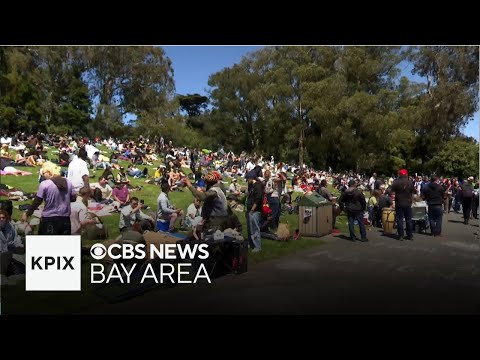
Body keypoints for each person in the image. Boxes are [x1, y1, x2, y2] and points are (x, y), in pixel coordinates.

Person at [22, 161, 75, 235]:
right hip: (65, 218)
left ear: (49, 172)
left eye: (43, 173)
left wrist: (28, 214)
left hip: (49, 219)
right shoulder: (68, 183)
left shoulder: (45, 184)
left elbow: (37, 201)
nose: (43, 176)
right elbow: (73, 198)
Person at [183, 171, 230, 236]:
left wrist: (189, 185)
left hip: (216, 220)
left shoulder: (214, 191)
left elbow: (201, 197)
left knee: (209, 239)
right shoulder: (218, 187)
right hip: (216, 218)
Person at [391, 168, 416, 240]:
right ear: (406, 174)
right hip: (408, 203)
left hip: (399, 203)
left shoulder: (396, 182)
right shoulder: (410, 182)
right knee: (408, 220)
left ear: (400, 174)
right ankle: (410, 235)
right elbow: (413, 192)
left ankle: (401, 235)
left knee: (399, 219)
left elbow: (392, 192)